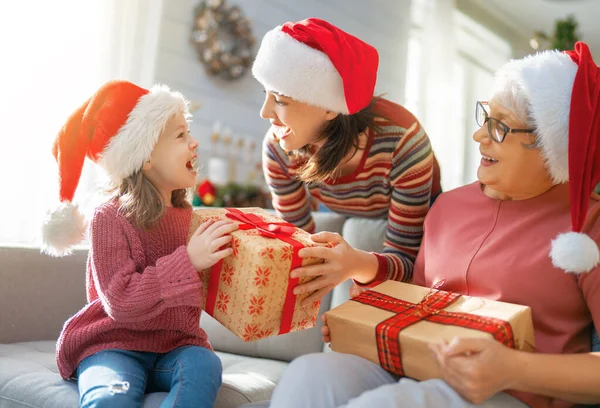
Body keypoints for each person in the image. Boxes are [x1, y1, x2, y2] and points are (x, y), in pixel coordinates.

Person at [263, 42, 600, 408]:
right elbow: (413, 298)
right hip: (414, 370)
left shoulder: (588, 226)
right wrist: (365, 319)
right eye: (485, 118)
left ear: (554, 145)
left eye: (500, 127)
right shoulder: (448, 207)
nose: (480, 136)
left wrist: (513, 369)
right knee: (310, 375)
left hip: (513, 394)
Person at [41, 80, 237, 408]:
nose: (194, 143)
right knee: (109, 399)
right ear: (144, 157)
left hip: (179, 346)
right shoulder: (108, 218)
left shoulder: (193, 220)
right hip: (112, 345)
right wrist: (188, 261)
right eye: (180, 135)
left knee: (206, 365)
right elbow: (120, 301)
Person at [252, 18, 442, 306]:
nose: (265, 112)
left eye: (281, 100)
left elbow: (407, 260)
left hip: (418, 221)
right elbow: (298, 242)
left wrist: (358, 266)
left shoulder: (403, 141)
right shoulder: (277, 148)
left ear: (330, 107)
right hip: (344, 206)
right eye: (265, 94)